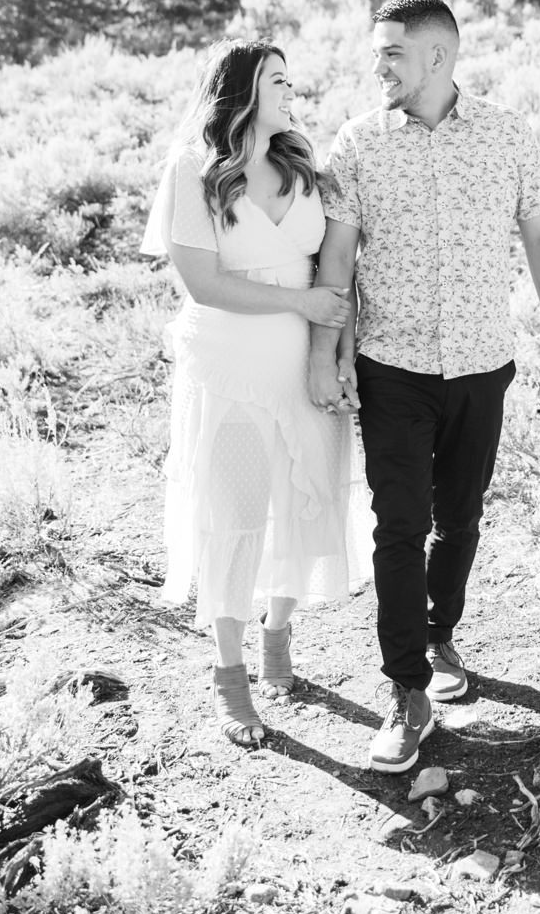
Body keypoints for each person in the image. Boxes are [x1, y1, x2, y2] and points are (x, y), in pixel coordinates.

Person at [307, 0, 540, 774]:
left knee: (459, 518)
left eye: (391, 53)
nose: (378, 67)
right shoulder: (357, 143)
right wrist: (326, 352)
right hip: (391, 368)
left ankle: (440, 631)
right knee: (398, 525)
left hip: (480, 364)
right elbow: (337, 261)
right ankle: (406, 690)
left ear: (437, 57)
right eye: (376, 54)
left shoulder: (507, 135)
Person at [143, 39, 370, 747]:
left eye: (291, 80)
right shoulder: (193, 172)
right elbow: (202, 283)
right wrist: (299, 308)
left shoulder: (305, 170)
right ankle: (229, 674)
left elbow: (338, 272)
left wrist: (335, 354)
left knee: (301, 502)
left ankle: (279, 638)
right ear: (239, 91)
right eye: (277, 80)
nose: (291, 91)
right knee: (235, 515)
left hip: (303, 364)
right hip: (230, 365)